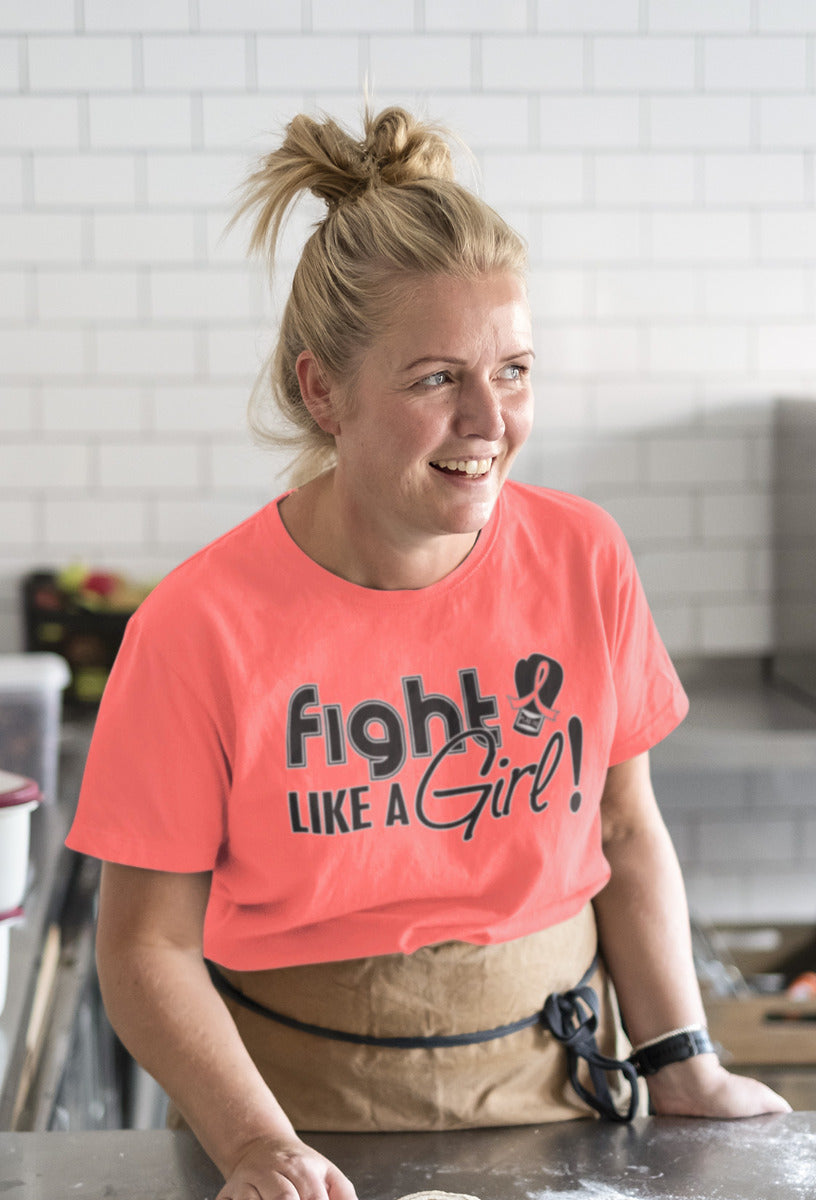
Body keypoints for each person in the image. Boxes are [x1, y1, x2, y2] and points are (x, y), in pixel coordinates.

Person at [66, 106, 788, 1200]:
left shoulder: (583, 557)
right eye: (437, 378)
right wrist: (257, 1148)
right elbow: (142, 950)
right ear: (323, 389)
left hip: (563, 1110)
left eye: (515, 370)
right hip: (301, 1131)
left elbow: (624, 827)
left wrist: (680, 1059)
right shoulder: (197, 627)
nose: (489, 419)